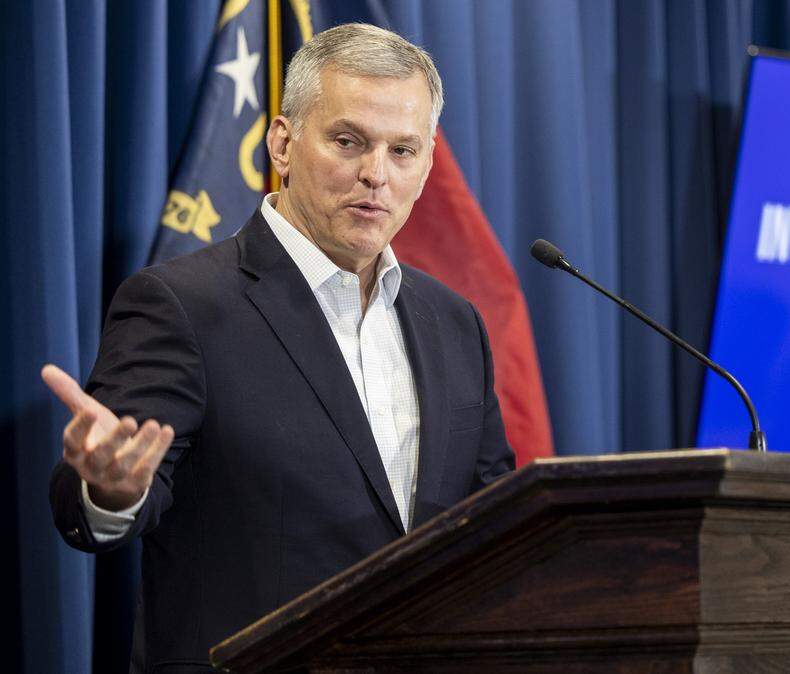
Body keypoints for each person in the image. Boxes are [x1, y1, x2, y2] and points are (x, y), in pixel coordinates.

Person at [44, 23, 514, 671]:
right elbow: (99, 497)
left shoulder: (454, 322)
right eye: (348, 141)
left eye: (402, 150)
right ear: (283, 144)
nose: (376, 174)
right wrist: (111, 491)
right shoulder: (181, 304)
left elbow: (495, 515)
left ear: (427, 163)